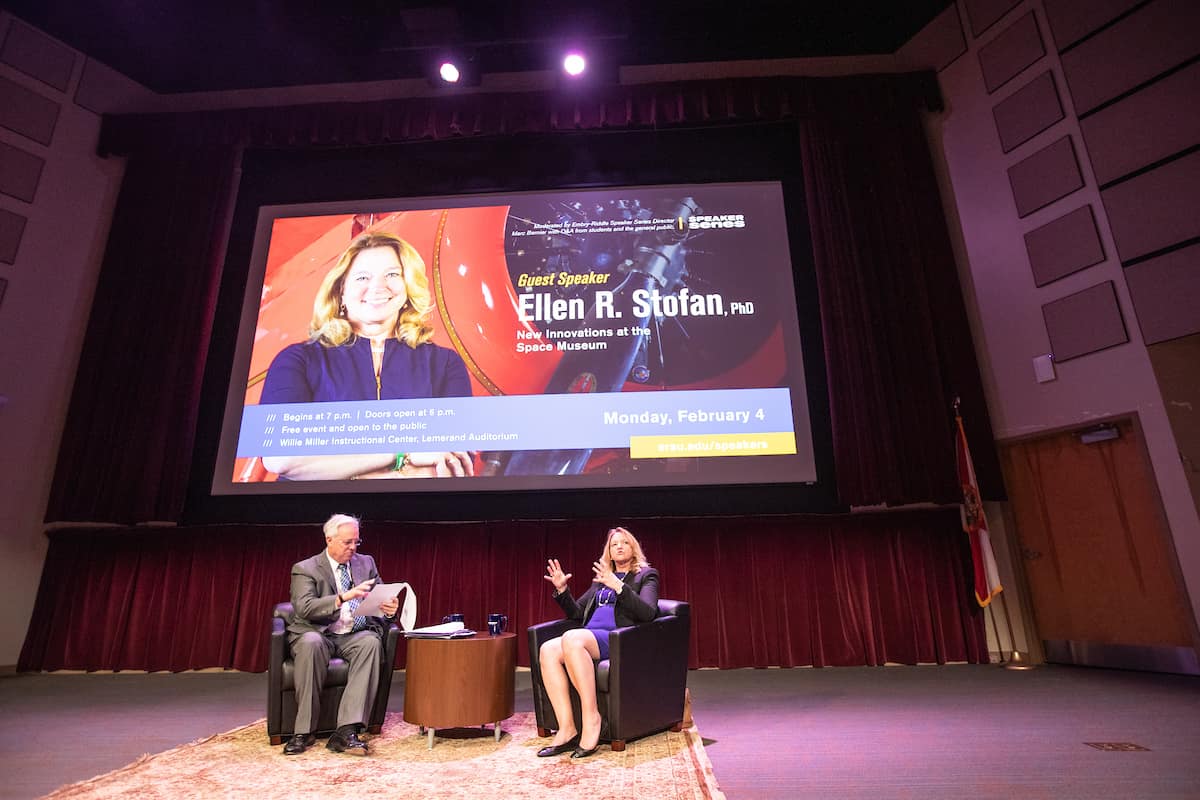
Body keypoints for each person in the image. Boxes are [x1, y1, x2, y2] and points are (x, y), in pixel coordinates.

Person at [261, 231, 474, 480]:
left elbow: (454, 463)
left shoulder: (445, 364)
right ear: (341, 292)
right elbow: (281, 458)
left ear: (408, 287)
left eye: (392, 274)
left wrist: (340, 470)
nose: (378, 287)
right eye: (362, 277)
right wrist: (399, 456)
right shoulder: (297, 360)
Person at [537, 526, 659, 758]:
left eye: (624, 542)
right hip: (589, 637)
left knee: (573, 638)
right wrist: (562, 589)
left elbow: (648, 613)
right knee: (548, 650)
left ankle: (592, 719)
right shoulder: (601, 580)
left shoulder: (646, 575)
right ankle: (567, 728)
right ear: (609, 553)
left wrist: (619, 586)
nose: (619, 546)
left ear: (633, 548)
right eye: (614, 544)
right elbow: (577, 612)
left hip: (619, 639)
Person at [283, 513, 399, 756]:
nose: (353, 547)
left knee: (371, 642)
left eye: (356, 542)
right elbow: (305, 608)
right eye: (347, 542)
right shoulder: (305, 568)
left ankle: (346, 731)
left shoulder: (365, 563)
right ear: (329, 540)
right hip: (317, 632)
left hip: (352, 635)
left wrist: (388, 609)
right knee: (311, 643)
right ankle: (303, 731)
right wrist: (344, 597)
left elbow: (378, 599)